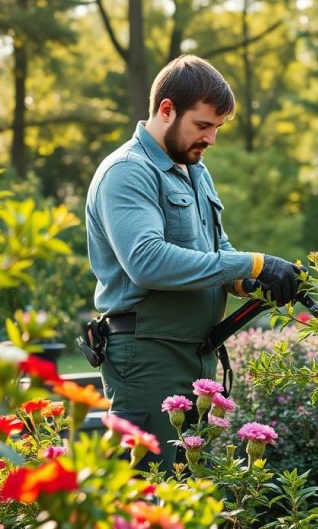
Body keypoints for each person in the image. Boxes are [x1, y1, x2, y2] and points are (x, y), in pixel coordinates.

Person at [85, 55, 300, 472]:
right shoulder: (127, 172)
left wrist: (259, 282)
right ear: (167, 110)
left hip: (196, 357)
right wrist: (253, 264)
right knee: (146, 495)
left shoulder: (194, 171)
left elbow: (216, 248)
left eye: (217, 128)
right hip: (147, 357)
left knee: (189, 494)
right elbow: (146, 262)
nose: (212, 138)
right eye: (203, 125)